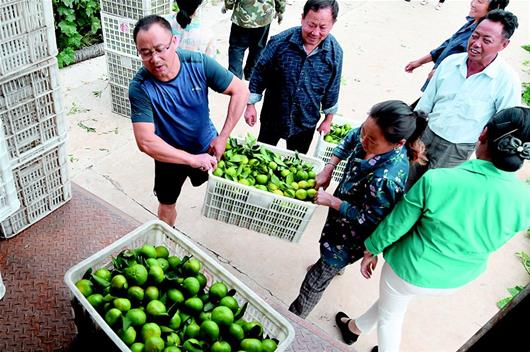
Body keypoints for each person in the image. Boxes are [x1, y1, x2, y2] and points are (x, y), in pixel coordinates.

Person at [334, 106, 530, 352]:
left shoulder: (438, 181)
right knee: (393, 302)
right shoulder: (526, 199)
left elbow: (396, 225)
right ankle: (354, 328)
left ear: (483, 134)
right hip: (458, 277)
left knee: (390, 318)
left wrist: (371, 249)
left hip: (411, 267)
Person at [288, 100, 429, 319]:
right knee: (329, 255)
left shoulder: (386, 178)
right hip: (341, 219)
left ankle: (294, 318)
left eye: (371, 140)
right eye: (364, 131)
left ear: (398, 144)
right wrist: (329, 167)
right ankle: (335, 266)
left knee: (314, 282)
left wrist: (333, 202)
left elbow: (370, 219)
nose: (364, 140)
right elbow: (350, 139)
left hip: (352, 237)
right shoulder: (369, 134)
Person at [128, 15, 249, 227]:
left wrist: (223, 137)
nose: (155, 59)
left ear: (174, 41)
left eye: (160, 49)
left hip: (207, 145)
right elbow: (146, 142)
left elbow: (240, 90)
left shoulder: (198, 63)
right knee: (166, 204)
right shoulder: (140, 87)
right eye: (145, 53)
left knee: (233, 187)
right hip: (169, 155)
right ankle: (167, 237)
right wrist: (191, 159)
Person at [407, 9, 520, 187]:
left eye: (486, 40)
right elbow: (425, 103)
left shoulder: (507, 81)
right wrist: (410, 136)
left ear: (503, 45)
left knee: (434, 194)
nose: (476, 43)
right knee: (405, 183)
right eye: (475, 36)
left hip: (459, 150)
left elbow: (504, 127)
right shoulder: (450, 63)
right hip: (425, 136)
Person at [244, 0, 343, 154]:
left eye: (323, 27)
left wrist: (327, 120)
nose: (315, 33)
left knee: (296, 163)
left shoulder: (335, 53)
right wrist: (250, 105)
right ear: (302, 18)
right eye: (311, 25)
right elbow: (260, 73)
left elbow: (333, 88)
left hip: (305, 121)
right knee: (262, 156)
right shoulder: (279, 42)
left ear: (332, 24)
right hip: (273, 115)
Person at [405, 0, 510, 91]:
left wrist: (442, 73)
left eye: (479, 1)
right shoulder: (472, 22)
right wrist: (420, 62)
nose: (473, 3)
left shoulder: (479, 36)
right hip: (436, 78)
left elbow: (472, 64)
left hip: (447, 85)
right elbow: (448, 44)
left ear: (495, 7)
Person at [224, 0, 286, 80]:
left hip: (243, 15)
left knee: (237, 47)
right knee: (258, 47)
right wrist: (280, 9)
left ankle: (234, 79)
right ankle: (250, 75)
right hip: (264, 15)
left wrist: (228, 5)